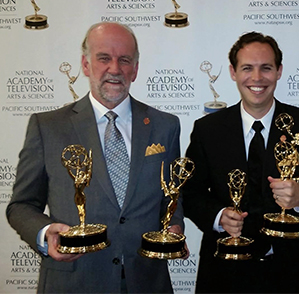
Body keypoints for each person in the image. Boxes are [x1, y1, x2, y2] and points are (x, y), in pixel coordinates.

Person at [6, 22, 184, 293]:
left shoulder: (165, 126)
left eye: (124, 60)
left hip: (147, 281)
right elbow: (21, 206)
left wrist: (174, 225)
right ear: (86, 65)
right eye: (104, 58)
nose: (114, 69)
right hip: (74, 280)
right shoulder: (48, 127)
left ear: (135, 69)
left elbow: (172, 196)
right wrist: (45, 233)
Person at [182, 31, 299, 293]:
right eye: (247, 68)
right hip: (225, 274)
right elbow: (190, 192)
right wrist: (218, 217)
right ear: (232, 72)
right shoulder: (207, 130)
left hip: (296, 275)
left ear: (279, 71)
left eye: (266, 68)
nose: (256, 78)